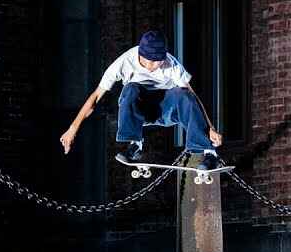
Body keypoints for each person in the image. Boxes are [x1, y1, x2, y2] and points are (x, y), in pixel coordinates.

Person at [59, 30, 224, 170]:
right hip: (140, 110)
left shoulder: (171, 64)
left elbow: (192, 98)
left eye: (159, 61)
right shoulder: (124, 62)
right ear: (140, 54)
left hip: (167, 110)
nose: (155, 66)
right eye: (151, 61)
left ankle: (209, 154)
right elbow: (95, 98)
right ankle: (134, 145)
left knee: (183, 94)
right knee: (131, 89)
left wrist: (210, 128)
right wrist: (73, 128)